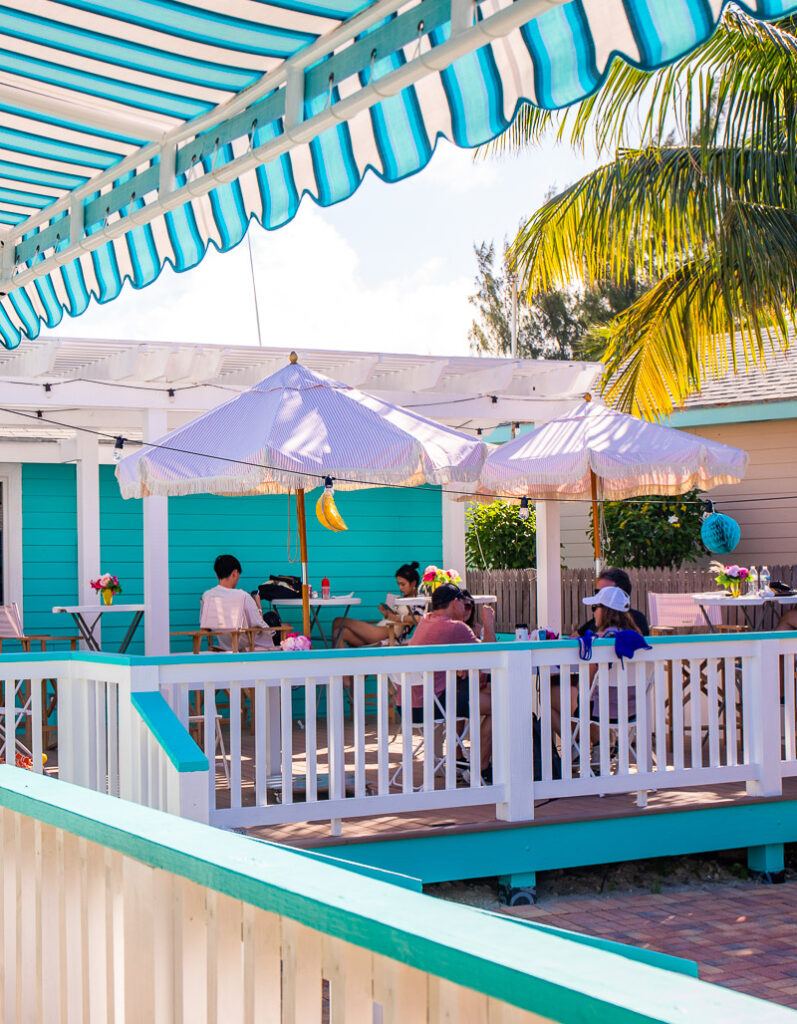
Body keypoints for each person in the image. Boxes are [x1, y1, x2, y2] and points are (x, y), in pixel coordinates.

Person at [404, 583, 494, 777]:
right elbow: (491, 655)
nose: (465, 608)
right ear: (456, 602)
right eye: (464, 603)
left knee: (484, 691)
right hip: (436, 704)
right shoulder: (455, 627)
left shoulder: (426, 621)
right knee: (501, 705)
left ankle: (459, 760)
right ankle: (481, 768)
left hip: (413, 703)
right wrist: (489, 623)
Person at [333, 562, 424, 648]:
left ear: (413, 583)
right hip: (380, 627)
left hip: (390, 631)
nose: (400, 587)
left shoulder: (419, 599)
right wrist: (386, 614)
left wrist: (394, 618)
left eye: (403, 584)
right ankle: (339, 664)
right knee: (339, 633)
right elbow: (392, 615)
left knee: (338, 621)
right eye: (398, 584)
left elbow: (417, 618)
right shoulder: (400, 598)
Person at [201, 554, 276, 651]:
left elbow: (206, 626)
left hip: (226, 646)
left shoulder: (207, 596)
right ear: (235, 573)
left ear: (217, 575)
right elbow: (259, 625)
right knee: (277, 622)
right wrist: (258, 605)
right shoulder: (243, 596)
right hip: (251, 647)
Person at [574, 567, 649, 637]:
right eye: (597, 592)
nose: (599, 596)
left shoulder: (637, 620)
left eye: (605, 592)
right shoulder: (597, 621)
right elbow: (573, 637)